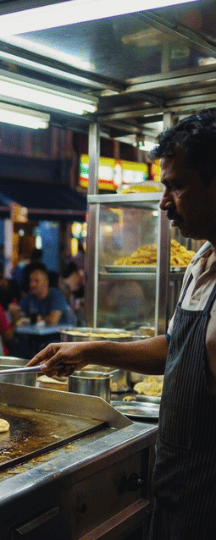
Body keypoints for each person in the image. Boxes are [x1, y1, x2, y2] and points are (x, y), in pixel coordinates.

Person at [29, 110, 216, 538]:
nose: (164, 202)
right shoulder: (200, 263)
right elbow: (176, 347)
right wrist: (88, 351)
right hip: (175, 491)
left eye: (177, 185)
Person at [10, 263, 74, 326]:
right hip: (36, 335)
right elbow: (20, 315)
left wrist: (39, 319)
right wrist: (14, 311)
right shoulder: (29, 297)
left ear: (46, 282)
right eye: (30, 281)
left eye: (36, 281)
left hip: (58, 335)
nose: (32, 284)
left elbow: (53, 320)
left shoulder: (56, 295)